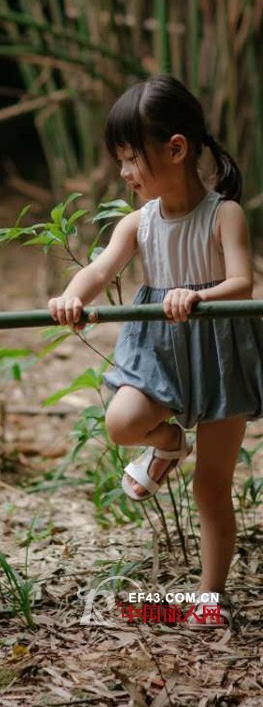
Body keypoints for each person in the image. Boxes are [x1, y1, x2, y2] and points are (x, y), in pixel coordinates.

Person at [48, 74, 263, 627]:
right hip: (162, 351)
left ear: (175, 148)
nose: (123, 173)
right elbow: (98, 270)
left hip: (220, 356)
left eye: (130, 158)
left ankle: (207, 599)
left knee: (211, 488)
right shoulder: (137, 224)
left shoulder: (224, 214)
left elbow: (242, 283)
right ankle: (166, 444)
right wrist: (72, 298)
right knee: (122, 422)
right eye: (119, 159)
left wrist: (201, 294)